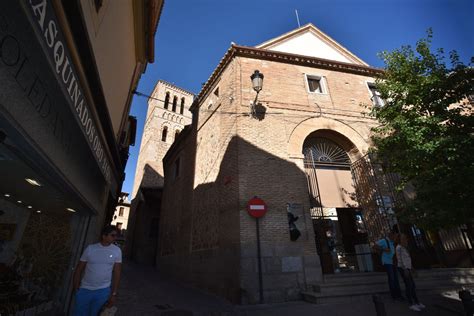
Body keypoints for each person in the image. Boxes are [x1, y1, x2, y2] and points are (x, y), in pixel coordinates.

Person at [73, 225, 122, 316]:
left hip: (103, 291)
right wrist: (76, 288)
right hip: (85, 290)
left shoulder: (117, 251)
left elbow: (117, 273)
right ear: (104, 236)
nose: (115, 238)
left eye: (116, 236)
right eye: (112, 235)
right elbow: (79, 269)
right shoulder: (90, 249)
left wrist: (114, 293)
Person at [396, 234, 425, 312]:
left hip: (407, 268)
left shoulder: (404, 248)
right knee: (409, 286)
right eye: (403, 238)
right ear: (399, 239)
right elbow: (400, 260)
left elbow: (407, 259)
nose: (405, 240)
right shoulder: (399, 248)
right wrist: (405, 269)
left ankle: (417, 302)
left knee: (412, 285)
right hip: (403, 269)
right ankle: (411, 304)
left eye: (405, 238)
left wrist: (412, 268)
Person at [375, 231, 403, 300]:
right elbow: (374, 246)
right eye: (394, 236)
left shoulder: (393, 242)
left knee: (395, 278)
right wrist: (384, 249)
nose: (395, 238)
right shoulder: (384, 241)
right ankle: (394, 295)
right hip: (387, 262)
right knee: (392, 278)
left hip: (393, 262)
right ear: (390, 235)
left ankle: (398, 294)